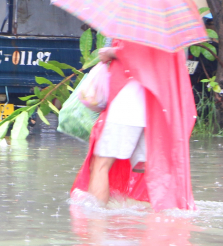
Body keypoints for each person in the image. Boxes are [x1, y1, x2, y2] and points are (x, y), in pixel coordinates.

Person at [72, 38, 197, 211]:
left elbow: (140, 51)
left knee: (100, 164)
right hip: (153, 106)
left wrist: (111, 52)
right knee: (148, 170)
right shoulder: (168, 29)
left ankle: (95, 224)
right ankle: (147, 224)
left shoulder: (141, 19)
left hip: (129, 101)